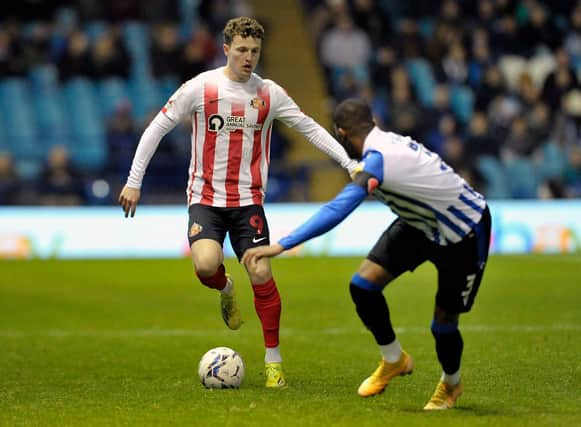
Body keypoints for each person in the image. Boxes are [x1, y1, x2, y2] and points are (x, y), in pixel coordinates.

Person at [118, 17, 356, 388]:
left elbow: (309, 128)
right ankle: (226, 289)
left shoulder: (269, 93)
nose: (249, 58)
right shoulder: (201, 87)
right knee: (206, 265)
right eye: (242, 50)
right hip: (205, 200)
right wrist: (134, 182)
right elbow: (156, 128)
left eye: (255, 52)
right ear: (226, 49)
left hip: (248, 203)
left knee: (261, 272)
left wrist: (349, 163)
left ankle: (273, 360)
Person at [242, 98, 491, 408]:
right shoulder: (384, 146)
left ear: (342, 133)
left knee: (443, 324)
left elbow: (339, 208)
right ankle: (393, 359)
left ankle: (451, 384)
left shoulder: (378, 160)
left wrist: (281, 244)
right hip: (420, 224)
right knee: (363, 286)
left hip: (463, 231)